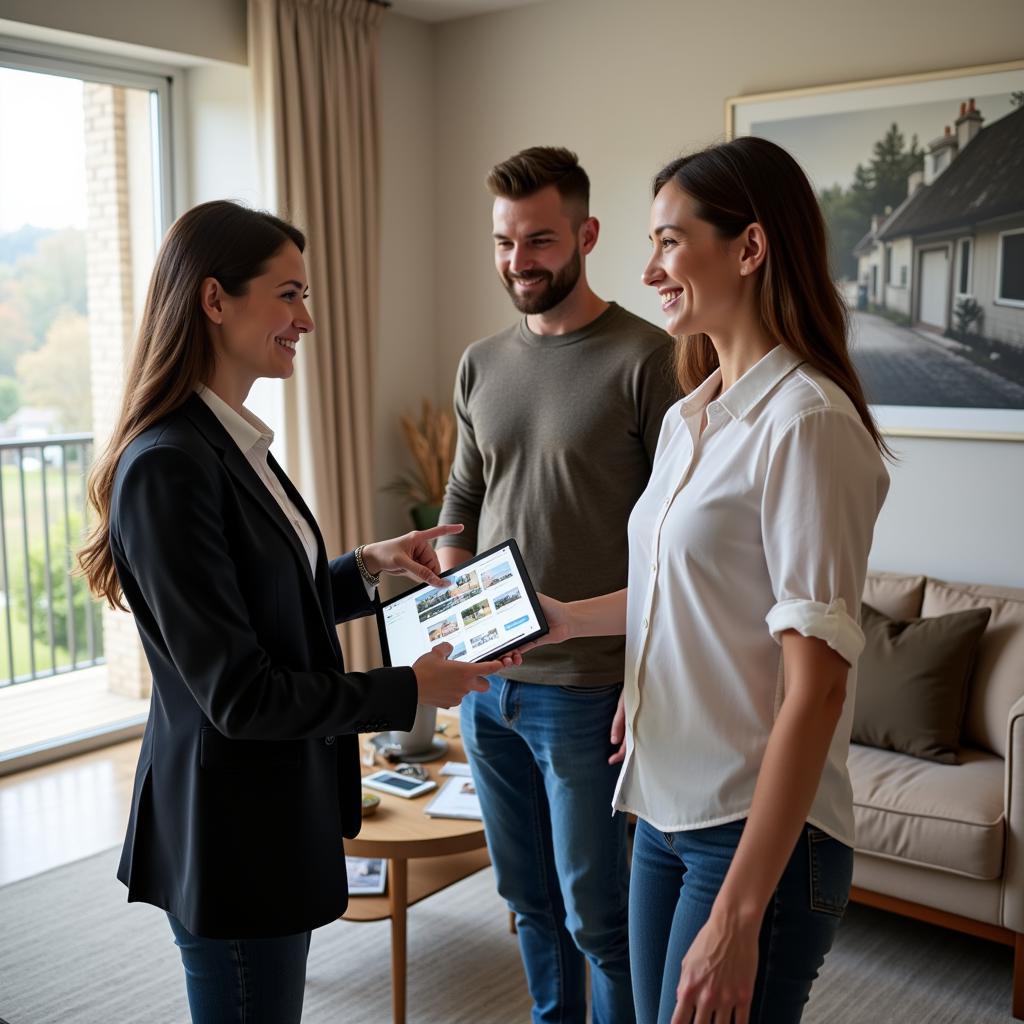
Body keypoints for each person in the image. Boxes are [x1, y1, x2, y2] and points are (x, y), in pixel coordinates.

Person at [77, 200, 514, 1024]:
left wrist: (365, 569)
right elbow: (241, 693)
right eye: (287, 295)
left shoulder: (229, 445)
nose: (307, 319)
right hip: (232, 832)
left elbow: (257, 602)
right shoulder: (169, 466)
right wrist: (408, 689)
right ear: (214, 301)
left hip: (266, 815)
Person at [532, 137, 891, 1024]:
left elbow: (818, 689)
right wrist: (568, 620)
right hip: (661, 808)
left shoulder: (805, 423)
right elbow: (683, 590)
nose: (649, 268)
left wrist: (739, 913)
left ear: (750, 247)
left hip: (752, 831)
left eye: (667, 240)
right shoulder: (697, 414)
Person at [436, 146, 678, 1024]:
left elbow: (677, 538)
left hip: (586, 688)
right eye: (504, 242)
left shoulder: (649, 358)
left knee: (598, 918)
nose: (517, 262)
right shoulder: (480, 361)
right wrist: (458, 633)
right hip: (488, 686)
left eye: (538, 240)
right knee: (528, 905)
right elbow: (463, 500)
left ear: (586, 234)